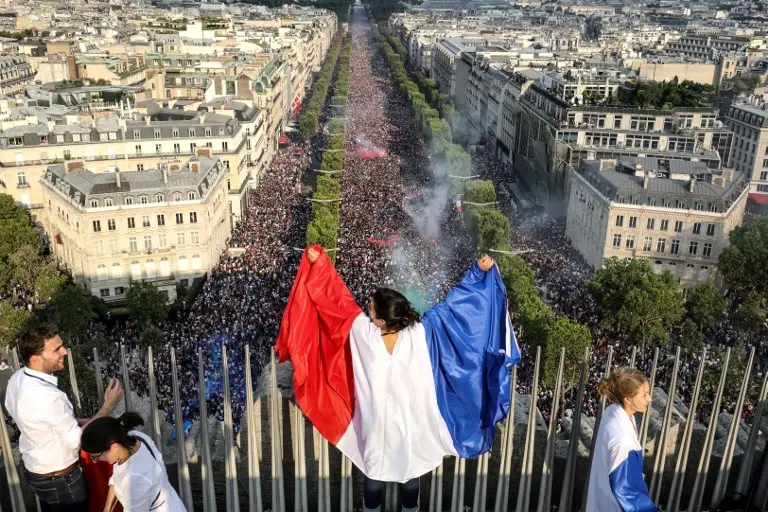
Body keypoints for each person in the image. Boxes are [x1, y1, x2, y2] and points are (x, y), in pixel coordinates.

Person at [277, 247, 519, 512]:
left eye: (370, 307)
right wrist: (477, 272)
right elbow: (456, 306)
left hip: (375, 420)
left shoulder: (363, 334)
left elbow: (335, 301)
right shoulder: (421, 334)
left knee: (374, 471)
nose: (367, 309)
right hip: (411, 419)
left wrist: (320, 264)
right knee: (411, 468)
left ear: (380, 320)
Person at [5, 324, 123, 512]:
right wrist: (108, 406)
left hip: (34, 470)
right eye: (56, 349)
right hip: (61, 479)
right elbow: (77, 441)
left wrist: (76, 420)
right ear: (35, 358)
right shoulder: (49, 397)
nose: (65, 352)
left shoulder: (17, 379)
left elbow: (35, 419)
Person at [81, 412, 186, 512]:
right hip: (170, 501)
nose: (95, 462)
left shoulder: (134, 478)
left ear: (114, 447)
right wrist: (107, 509)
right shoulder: (135, 437)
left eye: (95, 457)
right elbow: (118, 475)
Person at [586, 368, 658, 512]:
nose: (649, 399)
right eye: (644, 395)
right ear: (628, 398)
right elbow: (628, 494)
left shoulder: (612, 411)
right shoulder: (624, 441)